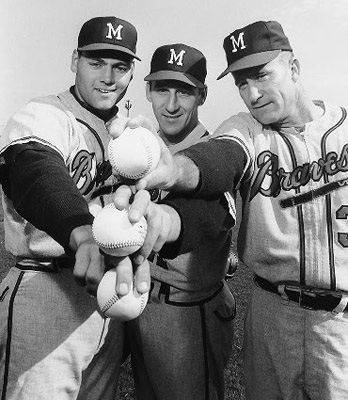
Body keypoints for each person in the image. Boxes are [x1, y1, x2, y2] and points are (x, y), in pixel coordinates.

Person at [119, 20, 348, 400]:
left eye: (260, 75)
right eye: (241, 82)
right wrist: (175, 169)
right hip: (272, 313)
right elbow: (220, 157)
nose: (252, 93)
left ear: (293, 68)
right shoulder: (247, 130)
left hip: (341, 324)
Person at [0, 16, 148, 400]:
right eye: (95, 63)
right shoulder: (44, 114)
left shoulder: (129, 134)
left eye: (120, 66)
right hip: (46, 289)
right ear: (74, 61)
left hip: (110, 299)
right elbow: (35, 171)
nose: (108, 77)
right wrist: (81, 231)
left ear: (132, 73)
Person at [124, 43, 236, 400]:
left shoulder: (215, 154)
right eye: (162, 89)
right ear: (147, 90)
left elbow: (212, 215)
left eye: (184, 92)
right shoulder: (141, 147)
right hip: (140, 304)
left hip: (189, 311)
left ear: (201, 95)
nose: (171, 105)